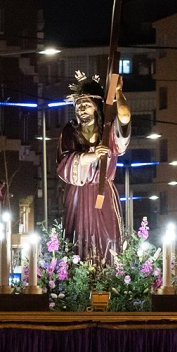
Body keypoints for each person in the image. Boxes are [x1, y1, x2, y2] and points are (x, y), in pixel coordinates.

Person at [56, 71, 131, 259]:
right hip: (78, 194)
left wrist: (118, 93)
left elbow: (124, 118)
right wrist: (91, 156)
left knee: (107, 239)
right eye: (79, 105)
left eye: (87, 105)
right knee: (78, 239)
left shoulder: (108, 131)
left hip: (103, 192)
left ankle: (108, 274)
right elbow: (63, 163)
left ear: (96, 107)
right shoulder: (70, 131)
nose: (81, 109)